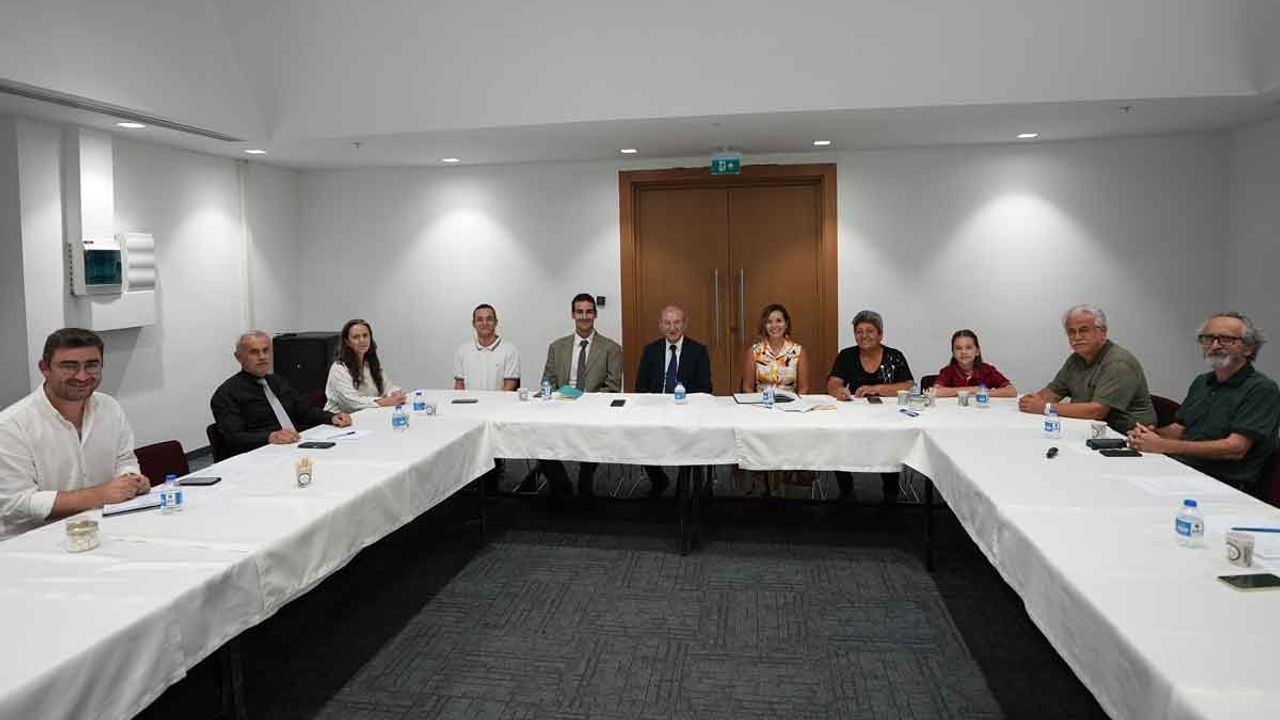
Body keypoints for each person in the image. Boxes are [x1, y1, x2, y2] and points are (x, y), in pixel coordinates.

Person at [0, 328, 149, 540]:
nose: (82, 376)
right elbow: (16, 503)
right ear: (44, 368)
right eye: (69, 366)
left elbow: (125, 459)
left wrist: (131, 479)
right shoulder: (10, 426)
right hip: (33, 540)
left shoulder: (110, 407)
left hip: (101, 526)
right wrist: (98, 495)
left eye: (91, 365)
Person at [1128, 312, 1280, 488]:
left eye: (1226, 339)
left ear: (1248, 348)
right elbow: (1180, 429)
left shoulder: (1262, 389)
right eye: (1208, 338)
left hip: (1224, 482)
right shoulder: (1202, 382)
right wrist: (1148, 435)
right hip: (1183, 468)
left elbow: (1235, 448)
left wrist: (1163, 445)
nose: (1214, 345)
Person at [520, 293, 622, 498]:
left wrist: (585, 399)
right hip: (561, 404)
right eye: (579, 312)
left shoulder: (611, 348)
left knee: (592, 438)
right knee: (537, 431)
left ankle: (586, 479)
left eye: (589, 312)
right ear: (572, 314)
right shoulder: (557, 347)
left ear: (595, 314)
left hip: (593, 408)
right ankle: (560, 482)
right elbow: (547, 381)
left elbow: (612, 387)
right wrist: (559, 397)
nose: (584, 316)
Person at [211, 331, 352, 456]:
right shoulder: (226, 394)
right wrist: (269, 437)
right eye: (254, 352)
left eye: (266, 350)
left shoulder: (278, 382)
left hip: (294, 446)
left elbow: (304, 411)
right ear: (238, 357)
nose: (262, 356)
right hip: (259, 454)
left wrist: (331, 417)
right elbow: (234, 437)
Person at [1018, 304, 1155, 433]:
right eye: (1071, 332)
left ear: (1103, 331)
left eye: (1084, 330)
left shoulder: (1118, 363)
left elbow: (1097, 411)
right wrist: (1032, 400)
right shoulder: (1076, 359)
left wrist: (1044, 407)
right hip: (1089, 429)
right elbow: (1053, 393)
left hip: (1126, 435)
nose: (1077, 337)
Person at [826, 310, 914, 503]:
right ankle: (845, 489)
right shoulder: (847, 355)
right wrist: (838, 390)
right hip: (853, 417)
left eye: (870, 331)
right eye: (859, 331)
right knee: (836, 437)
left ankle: (891, 492)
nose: (864, 335)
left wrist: (876, 389)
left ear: (880, 335)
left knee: (889, 443)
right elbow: (833, 382)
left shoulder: (894, 356)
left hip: (888, 418)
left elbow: (907, 386)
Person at [634, 304, 712, 497]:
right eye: (667, 323)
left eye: (677, 322)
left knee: (689, 439)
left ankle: (682, 486)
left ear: (685, 324)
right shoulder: (651, 350)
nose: (672, 328)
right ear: (660, 325)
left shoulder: (698, 351)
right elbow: (641, 386)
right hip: (655, 408)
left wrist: (688, 406)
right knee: (638, 435)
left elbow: (705, 388)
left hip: (686, 409)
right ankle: (659, 479)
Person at [325, 318, 406, 412]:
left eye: (365, 335)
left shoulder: (369, 364)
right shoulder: (339, 368)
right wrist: (385, 401)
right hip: (340, 418)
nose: (362, 340)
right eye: (356, 337)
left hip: (367, 414)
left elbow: (387, 387)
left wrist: (395, 393)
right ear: (347, 342)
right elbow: (351, 403)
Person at [740, 303, 810, 395]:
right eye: (769, 322)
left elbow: (804, 389)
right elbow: (747, 388)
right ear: (764, 325)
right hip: (761, 402)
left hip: (790, 403)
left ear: (786, 324)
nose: (774, 325)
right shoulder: (754, 352)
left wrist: (795, 403)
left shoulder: (798, 352)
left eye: (779, 321)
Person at [454, 303, 521, 391]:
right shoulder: (462, 351)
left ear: (495, 322)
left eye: (489, 319)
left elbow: (509, 386)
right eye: (480, 320)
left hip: (500, 400)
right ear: (473, 323)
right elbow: (459, 385)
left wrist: (494, 400)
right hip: (470, 400)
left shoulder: (510, 350)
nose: (484, 323)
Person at [932, 329, 1017, 398]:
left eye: (968, 347)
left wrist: (982, 392)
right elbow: (935, 391)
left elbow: (1012, 391)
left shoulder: (988, 370)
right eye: (958, 348)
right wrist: (972, 390)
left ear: (977, 351)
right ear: (953, 353)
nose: (963, 352)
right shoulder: (948, 371)